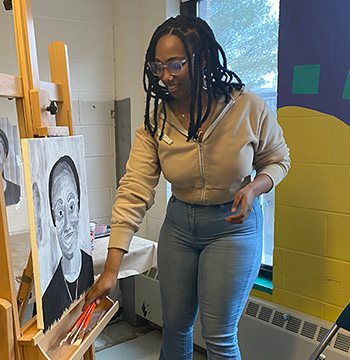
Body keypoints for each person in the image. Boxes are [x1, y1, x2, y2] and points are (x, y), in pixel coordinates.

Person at [87, 14, 290, 359]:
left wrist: (256, 186)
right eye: (158, 66)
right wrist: (111, 269)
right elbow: (134, 188)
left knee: (219, 336)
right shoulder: (156, 121)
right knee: (175, 327)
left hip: (233, 229)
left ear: (202, 60)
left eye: (175, 64)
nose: (165, 76)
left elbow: (278, 159)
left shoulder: (247, 108)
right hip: (180, 227)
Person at [42, 155, 94, 330]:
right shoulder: (48, 297)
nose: (66, 226)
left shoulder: (88, 271)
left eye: (71, 207)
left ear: (79, 207)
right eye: (60, 213)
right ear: (53, 219)